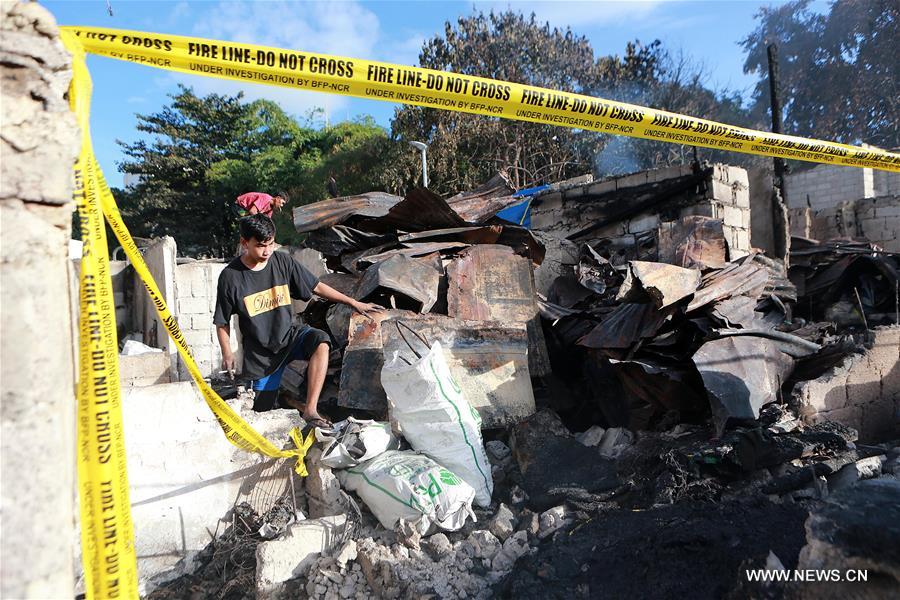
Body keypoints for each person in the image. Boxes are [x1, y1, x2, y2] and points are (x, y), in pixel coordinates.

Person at [214, 214, 382, 427]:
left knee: (320, 341)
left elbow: (316, 286)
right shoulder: (231, 277)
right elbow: (222, 321)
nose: (267, 251)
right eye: (260, 246)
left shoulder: (282, 261)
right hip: (260, 354)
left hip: (289, 337)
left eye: (271, 244)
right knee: (260, 411)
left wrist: (353, 303)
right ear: (244, 242)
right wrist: (227, 352)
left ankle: (310, 411)